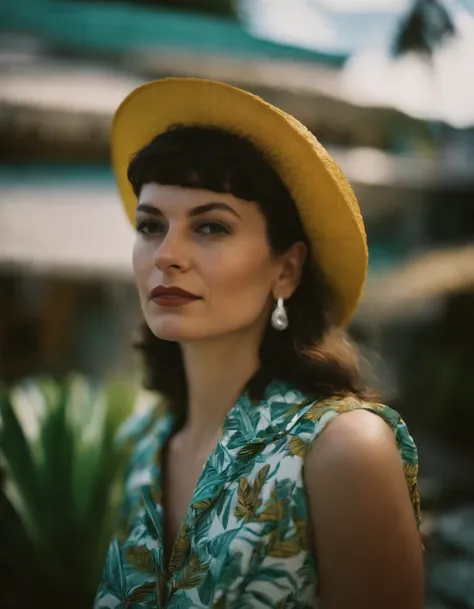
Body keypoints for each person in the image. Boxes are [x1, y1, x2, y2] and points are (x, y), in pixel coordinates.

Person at [95, 78, 424, 609]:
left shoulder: (342, 450)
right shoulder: (138, 446)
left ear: (287, 269)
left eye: (211, 228)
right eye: (151, 226)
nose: (166, 255)